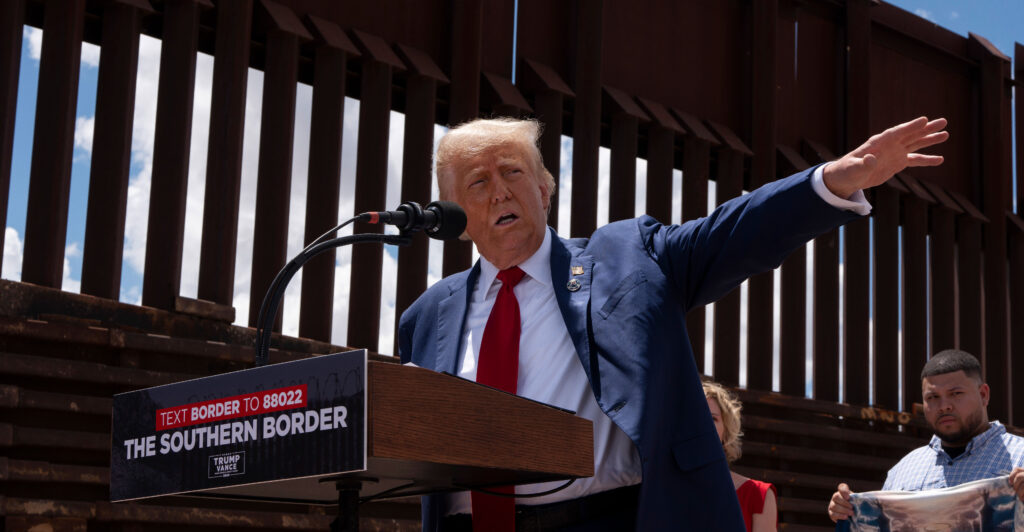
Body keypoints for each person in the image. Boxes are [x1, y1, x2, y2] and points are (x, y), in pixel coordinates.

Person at [399, 115, 948, 531]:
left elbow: (730, 233)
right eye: (477, 182)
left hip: (605, 516)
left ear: (544, 190)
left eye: (513, 172)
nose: (499, 190)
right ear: (454, 217)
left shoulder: (627, 259)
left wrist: (831, 182)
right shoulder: (427, 317)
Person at [827, 349, 1024, 523]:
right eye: (933, 397)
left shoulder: (1020, 456)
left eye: (956, 393)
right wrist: (852, 513)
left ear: (983, 395)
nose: (944, 405)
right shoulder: (902, 471)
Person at [704, 381, 777, 532]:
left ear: (726, 432)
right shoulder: (663, 489)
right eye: (696, 416)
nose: (703, 424)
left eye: (712, 418)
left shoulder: (758, 495)